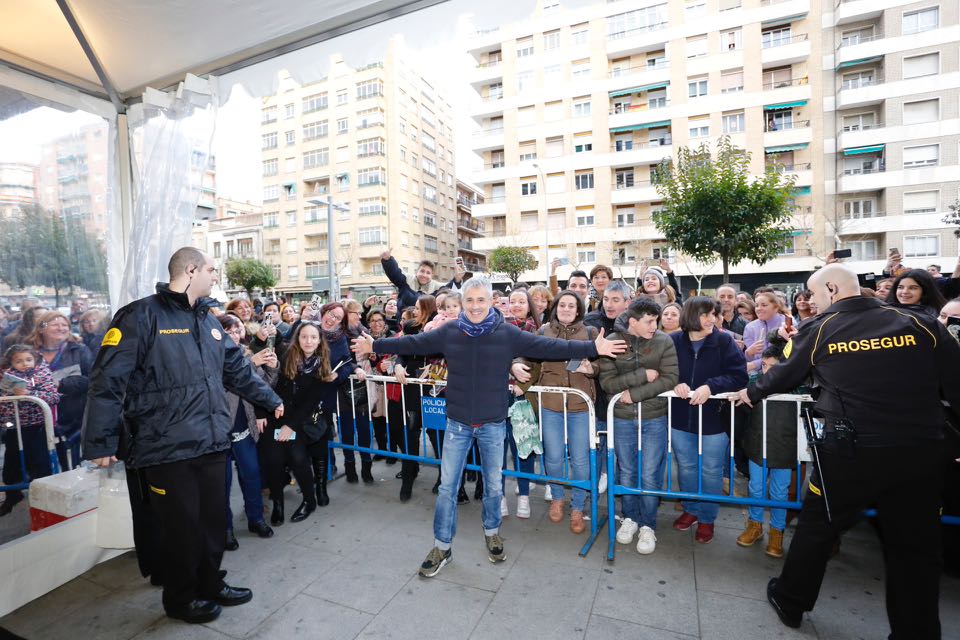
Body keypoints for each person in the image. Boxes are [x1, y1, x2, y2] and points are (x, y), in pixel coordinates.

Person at [737, 263, 960, 636]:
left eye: (817, 295)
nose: (814, 302)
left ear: (834, 291)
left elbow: (787, 372)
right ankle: (916, 631)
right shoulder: (922, 325)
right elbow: (956, 384)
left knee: (817, 528)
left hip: (850, 453)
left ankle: (790, 601)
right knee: (915, 549)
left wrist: (751, 392)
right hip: (918, 453)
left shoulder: (821, 328)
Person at [350, 276, 626, 578]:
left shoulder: (506, 333)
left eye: (481, 300)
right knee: (447, 488)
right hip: (457, 423)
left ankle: (492, 532)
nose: (475, 306)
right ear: (463, 303)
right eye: (470, 300)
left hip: (493, 423)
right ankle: (442, 546)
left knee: (494, 487)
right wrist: (375, 343)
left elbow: (549, 345)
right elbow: (413, 342)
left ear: (490, 302)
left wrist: (591, 346)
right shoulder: (450, 331)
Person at [82, 247, 283, 625]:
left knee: (210, 523)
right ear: (191, 271)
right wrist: (100, 442)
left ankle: (210, 583)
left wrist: (271, 400)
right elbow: (106, 381)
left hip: (211, 441)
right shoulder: (140, 316)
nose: (214, 276)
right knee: (180, 530)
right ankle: (180, 598)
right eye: (210, 269)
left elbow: (237, 370)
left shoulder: (207, 321)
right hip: (165, 448)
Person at [599, 299, 679, 554]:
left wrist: (634, 394)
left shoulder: (664, 341)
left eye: (656, 320)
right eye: (649, 321)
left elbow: (670, 378)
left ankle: (648, 525)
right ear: (632, 321)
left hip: (654, 417)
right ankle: (630, 518)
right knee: (627, 471)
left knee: (649, 474)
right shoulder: (612, 341)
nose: (654, 326)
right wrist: (643, 375)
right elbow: (609, 384)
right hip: (622, 419)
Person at [670, 297, 748, 544]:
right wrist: (675, 382)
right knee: (686, 467)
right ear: (691, 315)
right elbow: (664, 372)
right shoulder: (672, 341)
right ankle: (691, 509)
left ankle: (707, 518)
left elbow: (739, 376)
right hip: (681, 418)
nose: (711, 319)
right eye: (706, 314)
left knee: (712, 471)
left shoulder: (724, 341)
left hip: (714, 419)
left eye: (714, 314)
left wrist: (711, 387)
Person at [521, 291, 598, 531]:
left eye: (571, 305)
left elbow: (605, 362)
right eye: (562, 305)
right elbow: (527, 355)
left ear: (578, 310)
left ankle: (577, 506)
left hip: (580, 405)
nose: (566, 309)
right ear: (556, 308)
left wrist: (591, 368)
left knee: (581, 459)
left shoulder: (591, 332)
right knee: (553, 456)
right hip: (550, 404)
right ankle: (557, 498)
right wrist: (516, 364)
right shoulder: (543, 332)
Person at [261, 321, 339, 525]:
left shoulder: (322, 364)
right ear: (297, 338)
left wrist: (290, 426)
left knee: (297, 458)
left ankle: (309, 499)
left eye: (313, 337)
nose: (308, 341)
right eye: (304, 336)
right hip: (275, 415)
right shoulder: (286, 354)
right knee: (273, 459)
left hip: (298, 420)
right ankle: (278, 503)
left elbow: (310, 402)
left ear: (319, 340)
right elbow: (267, 378)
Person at [217, 314, 277, 549]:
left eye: (237, 330)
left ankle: (256, 518)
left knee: (252, 475)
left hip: (244, 428)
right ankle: (225, 529)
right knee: (222, 483)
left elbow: (264, 386)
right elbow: (221, 387)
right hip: (219, 431)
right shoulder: (210, 354)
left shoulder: (246, 353)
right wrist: (251, 365)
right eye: (227, 331)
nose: (233, 335)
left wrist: (272, 368)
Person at [735, 346, 800, 559]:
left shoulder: (797, 387)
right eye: (764, 365)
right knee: (756, 486)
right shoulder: (754, 384)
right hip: (758, 443)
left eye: (773, 367)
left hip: (785, 445)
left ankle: (776, 532)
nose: (767, 371)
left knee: (780, 490)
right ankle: (755, 525)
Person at [0, 344, 60, 516]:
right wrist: (11, 396)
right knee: (11, 465)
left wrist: (29, 393)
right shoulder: (8, 377)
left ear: (35, 359)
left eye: (28, 359)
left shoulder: (42, 373)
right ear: (11, 362)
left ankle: (44, 500)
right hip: (15, 428)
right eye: (18, 361)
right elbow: (3, 401)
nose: (24, 364)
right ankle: (13, 495)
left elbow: (53, 397)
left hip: (39, 427)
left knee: (41, 464)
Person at [29, 310, 93, 470]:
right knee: (42, 467)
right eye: (55, 324)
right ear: (41, 328)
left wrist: (60, 384)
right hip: (37, 420)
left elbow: (92, 379)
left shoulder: (80, 350)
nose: (61, 328)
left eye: (65, 325)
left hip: (72, 420)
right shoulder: (28, 354)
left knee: (72, 466)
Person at [316, 302, 364, 488]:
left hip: (336, 389)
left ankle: (349, 465)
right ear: (323, 312)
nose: (331, 319)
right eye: (330, 314)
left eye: (337, 317)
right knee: (321, 431)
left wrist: (337, 375)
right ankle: (326, 469)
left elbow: (346, 362)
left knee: (344, 428)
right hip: (312, 391)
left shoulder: (340, 338)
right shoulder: (309, 329)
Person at [742, 291, 787, 374]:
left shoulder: (786, 323)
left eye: (764, 305)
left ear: (776, 308)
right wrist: (749, 353)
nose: (759, 308)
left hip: (781, 373)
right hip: (757, 375)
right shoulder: (750, 327)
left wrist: (755, 364)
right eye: (756, 305)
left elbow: (785, 355)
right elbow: (749, 361)